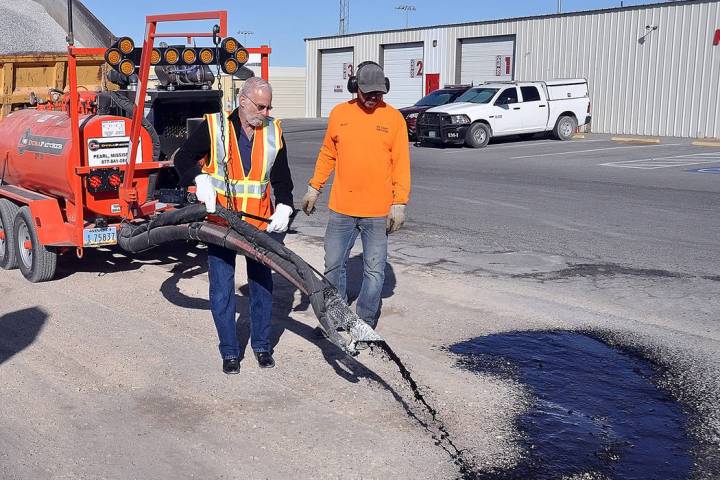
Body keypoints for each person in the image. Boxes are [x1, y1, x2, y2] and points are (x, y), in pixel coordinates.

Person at [174, 77, 294, 374]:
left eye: (269, 107)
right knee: (222, 290)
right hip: (221, 223)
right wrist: (198, 178)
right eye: (261, 107)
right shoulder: (214, 127)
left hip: (257, 224)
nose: (266, 113)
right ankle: (229, 351)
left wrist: (286, 204)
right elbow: (184, 157)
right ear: (243, 101)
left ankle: (262, 346)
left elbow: (282, 177)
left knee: (262, 287)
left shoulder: (273, 132)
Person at [302, 61, 411, 329]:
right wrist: (314, 187)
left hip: (377, 211)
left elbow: (401, 162)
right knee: (333, 266)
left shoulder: (394, 118)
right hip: (342, 208)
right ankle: (337, 317)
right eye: (368, 93)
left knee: (374, 271)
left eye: (379, 94)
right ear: (355, 88)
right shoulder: (340, 114)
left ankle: (364, 322)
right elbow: (328, 153)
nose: (374, 99)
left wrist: (399, 202)